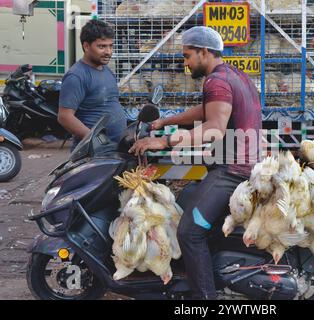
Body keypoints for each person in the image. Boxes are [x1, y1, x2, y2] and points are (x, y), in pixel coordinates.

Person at [129, 26, 262, 299]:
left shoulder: (215, 81)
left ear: (204, 52)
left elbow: (214, 127)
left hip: (232, 171)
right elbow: (209, 109)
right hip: (244, 164)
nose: (186, 63)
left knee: (189, 233)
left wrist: (165, 141)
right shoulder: (235, 76)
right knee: (189, 201)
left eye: (188, 55)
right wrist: (166, 121)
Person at [58, 19, 127, 150]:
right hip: (93, 154)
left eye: (110, 46)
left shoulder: (107, 71)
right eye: (102, 46)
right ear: (86, 46)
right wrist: (97, 140)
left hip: (113, 150)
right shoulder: (76, 76)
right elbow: (64, 117)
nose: (108, 51)